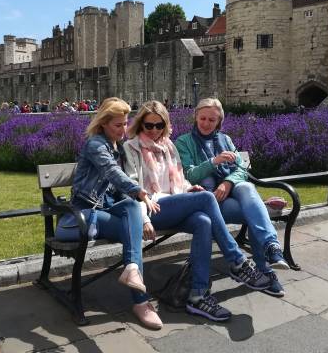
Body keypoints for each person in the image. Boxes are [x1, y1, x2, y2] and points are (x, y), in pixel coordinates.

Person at [124, 101, 274, 322]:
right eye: (149, 125)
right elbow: (132, 188)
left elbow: (178, 181)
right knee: (206, 197)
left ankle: (198, 295)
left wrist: (189, 188)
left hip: (173, 202)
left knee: (203, 221)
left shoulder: (168, 146)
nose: (154, 130)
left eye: (159, 125)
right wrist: (144, 218)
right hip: (151, 207)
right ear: (140, 125)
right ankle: (236, 260)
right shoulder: (132, 147)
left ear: (165, 125)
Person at [54, 97, 163, 329]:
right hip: (85, 214)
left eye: (125, 123)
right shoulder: (96, 145)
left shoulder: (116, 147)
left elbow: (118, 192)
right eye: (118, 125)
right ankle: (141, 302)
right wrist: (139, 192)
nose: (123, 130)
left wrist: (142, 214)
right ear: (103, 123)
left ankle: (131, 270)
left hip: (104, 211)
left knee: (131, 209)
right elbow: (112, 172)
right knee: (132, 230)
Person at [176, 98, 288, 297]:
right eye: (202, 118)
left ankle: (270, 249)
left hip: (231, 194)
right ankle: (264, 267)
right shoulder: (184, 142)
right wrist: (214, 161)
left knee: (246, 187)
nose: (206, 123)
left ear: (219, 121)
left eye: (212, 120)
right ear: (196, 117)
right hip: (208, 201)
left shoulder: (225, 139)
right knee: (255, 212)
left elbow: (241, 169)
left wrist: (227, 183)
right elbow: (189, 175)